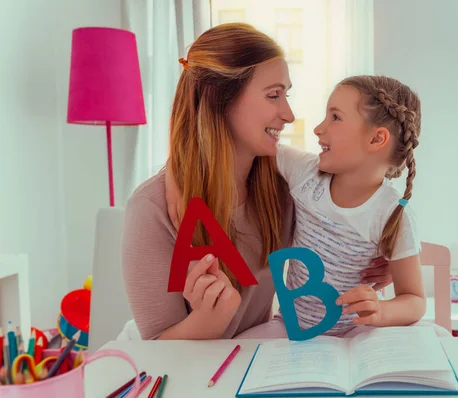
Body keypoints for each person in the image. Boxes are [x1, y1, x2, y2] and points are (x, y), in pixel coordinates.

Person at [121, 22, 392, 341]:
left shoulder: (285, 187)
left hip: (256, 360)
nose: (289, 114)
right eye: (273, 95)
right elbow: (156, 347)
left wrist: (373, 261)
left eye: (286, 95)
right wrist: (210, 321)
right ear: (219, 98)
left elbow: (342, 224)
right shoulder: (150, 209)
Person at [167, 75, 433, 340]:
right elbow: (239, 140)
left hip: (357, 335)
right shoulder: (305, 174)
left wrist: (382, 311)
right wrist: (174, 178)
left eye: (335, 117)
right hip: (291, 329)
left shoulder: (393, 214)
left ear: (376, 139)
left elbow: (414, 300)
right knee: (240, 352)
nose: (319, 128)